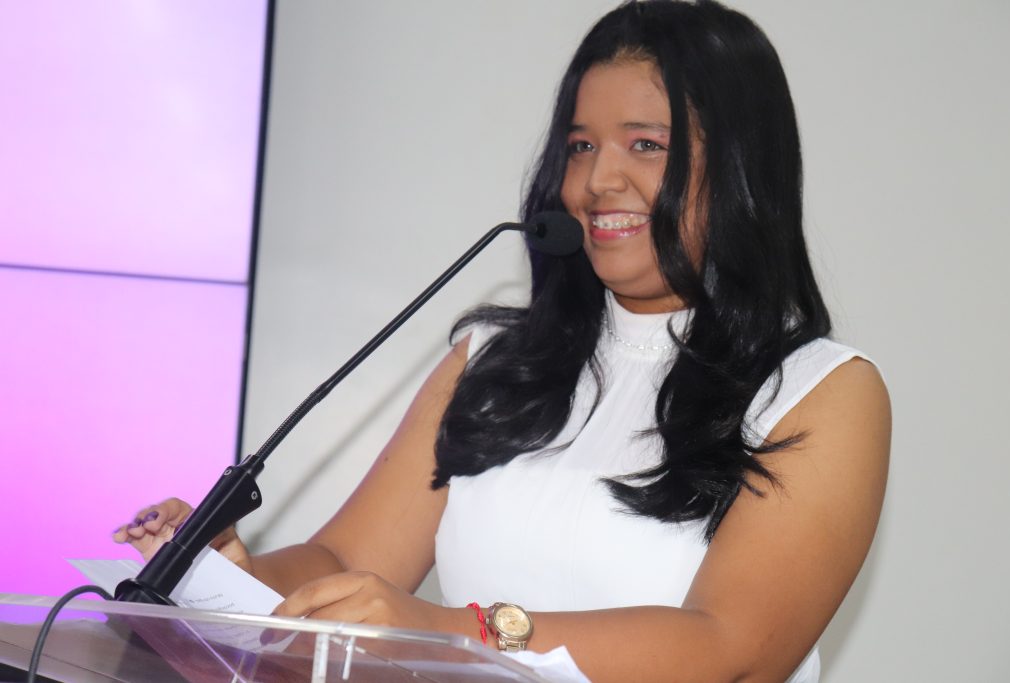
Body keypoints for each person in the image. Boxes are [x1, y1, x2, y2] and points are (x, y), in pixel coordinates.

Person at [115, 2, 890, 681]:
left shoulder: (823, 392)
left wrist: (453, 630)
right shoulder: (493, 362)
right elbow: (346, 564)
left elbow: (730, 649)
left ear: (742, 169)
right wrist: (232, 580)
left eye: (645, 145)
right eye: (581, 146)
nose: (597, 181)